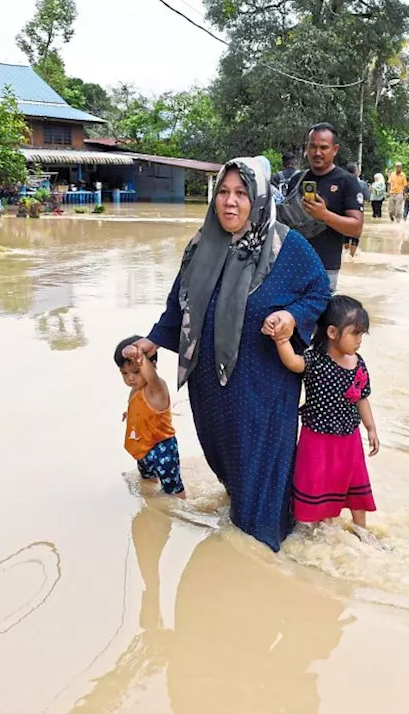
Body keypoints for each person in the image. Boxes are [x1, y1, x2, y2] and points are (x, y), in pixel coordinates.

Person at [131, 156, 331, 552]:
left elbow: (319, 292)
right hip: (210, 385)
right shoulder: (199, 244)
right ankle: (245, 528)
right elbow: (179, 304)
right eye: (223, 192)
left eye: (241, 193)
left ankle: (267, 551)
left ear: (257, 198)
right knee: (229, 464)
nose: (230, 202)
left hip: (263, 384)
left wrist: (292, 317)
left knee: (261, 472)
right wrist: (153, 340)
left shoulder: (285, 244)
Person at [271, 294, 378, 539]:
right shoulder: (317, 360)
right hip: (317, 440)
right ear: (332, 332)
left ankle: (363, 531)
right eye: (355, 334)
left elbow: (362, 397)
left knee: (355, 486)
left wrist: (370, 428)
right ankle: (319, 532)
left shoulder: (358, 362)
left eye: (363, 334)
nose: (360, 340)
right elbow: (293, 363)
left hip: (350, 440)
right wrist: (281, 340)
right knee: (317, 484)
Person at [116, 336, 185, 499]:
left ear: (152, 365)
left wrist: (139, 356)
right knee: (147, 483)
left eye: (136, 371)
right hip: (143, 449)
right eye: (124, 373)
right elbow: (142, 407)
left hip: (162, 449)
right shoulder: (135, 389)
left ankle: (181, 510)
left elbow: (151, 377)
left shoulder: (156, 389)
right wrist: (131, 413)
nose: (130, 378)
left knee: (174, 491)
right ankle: (151, 503)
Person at [300, 123, 364, 290]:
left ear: (335, 150)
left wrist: (324, 215)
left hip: (325, 267)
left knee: (324, 315)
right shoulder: (297, 180)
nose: (317, 152)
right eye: (312, 147)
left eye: (323, 147)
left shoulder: (347, 181)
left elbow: (356, 228)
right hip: (293, 265)